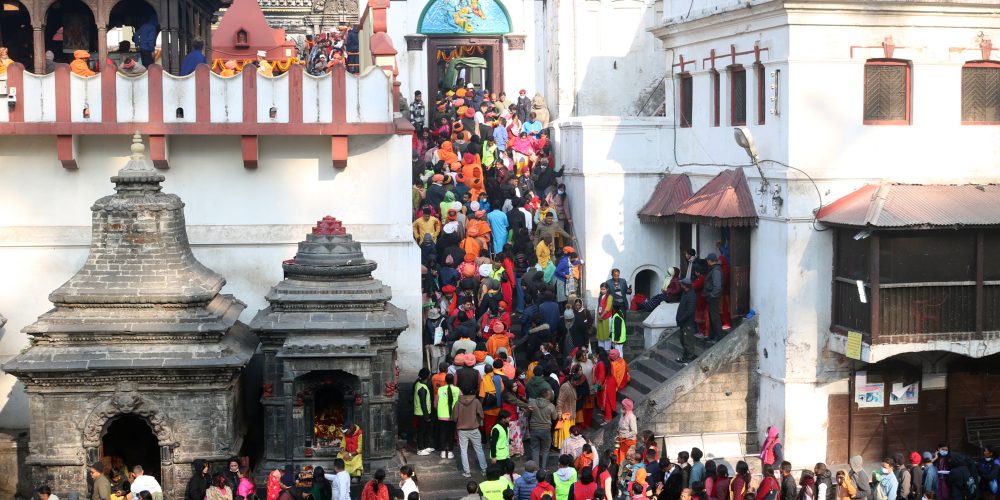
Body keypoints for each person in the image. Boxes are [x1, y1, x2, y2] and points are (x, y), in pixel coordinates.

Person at [456, 389, 489, 478]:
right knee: (479, 449)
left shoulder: (458, 402)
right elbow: (481, 415)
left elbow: (454, 417)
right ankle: (484, 469)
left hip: (462, 430)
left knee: (463, 451)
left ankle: (467, 472)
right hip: (474, 429)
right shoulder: (476, 401)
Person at [529, 387, 558, 470]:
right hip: (546, 430)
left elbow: (526, 414)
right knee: (545, 450)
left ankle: (535, 469)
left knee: (535, 449)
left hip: (534, 429)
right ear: (547, 395)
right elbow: (555, 417)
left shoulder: (532, 403)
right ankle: (543, 469)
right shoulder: (551, 406)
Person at [437, 372, 461, 458]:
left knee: (442, 433)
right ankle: (450, 451)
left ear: (445, 380)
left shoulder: (440, 389)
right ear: (453, 380)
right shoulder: (457, 390)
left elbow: (436, 403)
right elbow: (461, 402)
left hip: (442, 415)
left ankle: (443, 451)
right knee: (451, 433)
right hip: (453, 415)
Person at [675, 278, 698, 363]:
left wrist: (681, 318)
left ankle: (689, 358)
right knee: (683, 340)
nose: (680, 285)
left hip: (687, 323)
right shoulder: (685, 293)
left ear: (684, 285)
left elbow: (690, 311)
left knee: (688, 341)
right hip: (682, 322)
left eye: (681, 284)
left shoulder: (691, 295)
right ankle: (685, 356)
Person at [414, 367, 435, 456]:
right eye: (429, 374)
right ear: (427, 376)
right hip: (422, 413)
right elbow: (423, 404)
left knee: (426, 430)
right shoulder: (422, 388)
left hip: (424, 413)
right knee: (421, 431)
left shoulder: (418, 384)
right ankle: (420, 448)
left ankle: (426, 446)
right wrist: (426, 416)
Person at [703, 254, 724, 342]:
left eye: (707, 260)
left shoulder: (716, 270)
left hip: (714, 297)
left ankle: (719, 337)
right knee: (712, 317)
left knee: (714, 317)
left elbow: (717, 287)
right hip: (712, 296)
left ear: (710, 260)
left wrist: (712, 295)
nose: (707, 261)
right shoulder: (715, 269)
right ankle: (712, 336)